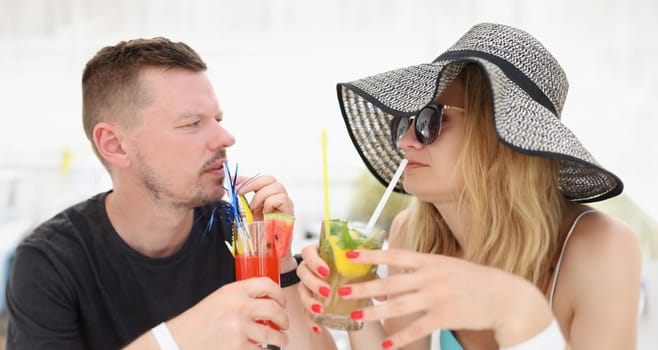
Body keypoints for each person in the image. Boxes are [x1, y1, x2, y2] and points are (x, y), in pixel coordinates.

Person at [297, 23, 642, 349]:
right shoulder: (413, 234)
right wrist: (353, 299)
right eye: (404, 120)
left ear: (501, 140)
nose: (404, 141)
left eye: (431, 119)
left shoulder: (600, 248)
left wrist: (524, 315)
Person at [5, 37, 335, 350]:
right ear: (115, 145)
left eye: (217, 119)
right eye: (192, 124)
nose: (225, 137)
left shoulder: (238, 233)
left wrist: (279, 261)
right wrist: (177, 337)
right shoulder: (50, 262)